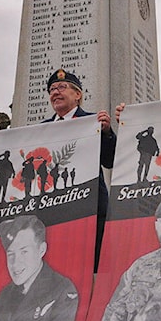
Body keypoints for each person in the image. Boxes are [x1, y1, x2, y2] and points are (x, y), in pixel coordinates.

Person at [42, 69, 116, 270]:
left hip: (90, 210)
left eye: (61, 87)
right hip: (54, 212)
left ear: (78, 94)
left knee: (92, 268)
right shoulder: (40, 130)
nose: (55, 92)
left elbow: (111, 161)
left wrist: (107, 132)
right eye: (52, 89)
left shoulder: (94, 123)